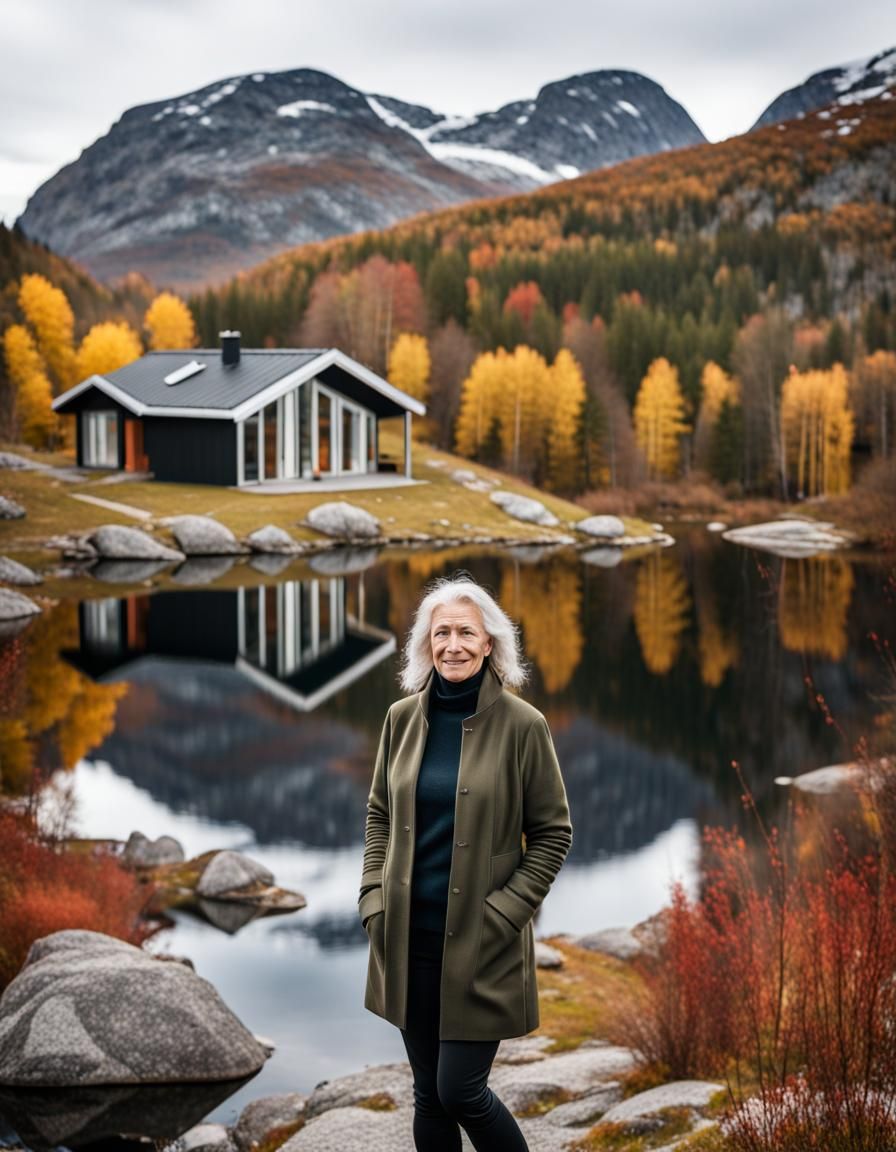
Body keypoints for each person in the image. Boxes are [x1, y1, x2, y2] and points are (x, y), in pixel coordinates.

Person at [358, 573, 573, 1151]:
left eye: (465, 633)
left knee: (461, 1091)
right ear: (426, 645)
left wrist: (504, 916)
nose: (452, 645)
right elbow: (379, 814)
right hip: (406, 939)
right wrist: (373, 900)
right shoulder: (401, 719)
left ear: (489, 644)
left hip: (483, 944)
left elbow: (553, 835)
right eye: (441, 633)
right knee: (428, 1095)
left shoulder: (524, 726)